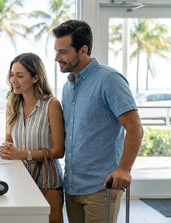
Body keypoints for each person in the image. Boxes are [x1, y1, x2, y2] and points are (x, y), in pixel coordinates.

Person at [52, 20, 144, 223]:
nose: (57, 58)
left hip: (101, 187)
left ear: (83, 50)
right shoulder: (69, 86)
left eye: (63, 52)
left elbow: (135, 127)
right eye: (56, 51)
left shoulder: (110, 79)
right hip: (73, 187)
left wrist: (124, 169)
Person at [0, 53, 65, 221]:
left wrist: (24, 154)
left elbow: (59, 151)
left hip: (47, 183)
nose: (14, 80)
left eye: (20, 76)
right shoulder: (13, 105)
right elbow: (9, 140)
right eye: (12, 75)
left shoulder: (52, 105)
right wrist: (6, 148)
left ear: (36, 77)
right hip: (20, 181)